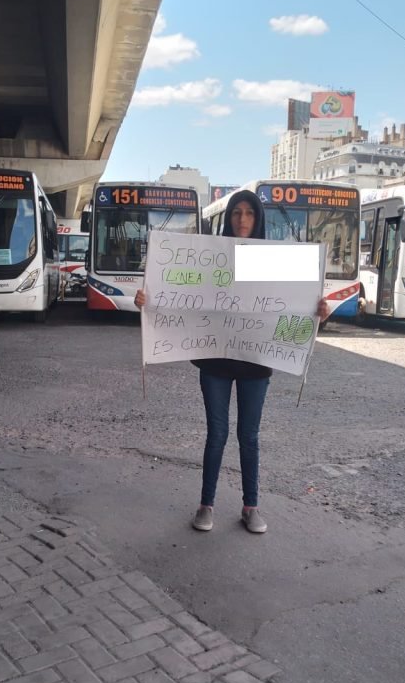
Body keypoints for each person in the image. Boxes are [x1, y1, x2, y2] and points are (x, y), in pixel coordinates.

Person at [135, 189, 329, 534]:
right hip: (216, 361)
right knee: (217, 434)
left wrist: (318, 313)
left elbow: (294, 308)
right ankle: (205, 504)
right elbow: (181, 294)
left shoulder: (275, 261)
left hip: (255, 363)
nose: (242, 219)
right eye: (236, 213)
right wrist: (148, 300)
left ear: (258, 219)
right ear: (228, 218)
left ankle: (250, 506)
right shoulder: (211, 256)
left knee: (249, 436)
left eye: (249, 213)